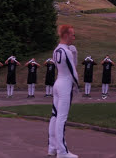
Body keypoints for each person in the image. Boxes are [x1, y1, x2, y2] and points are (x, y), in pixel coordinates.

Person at [48, 25, 79, 158]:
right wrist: (77, 86)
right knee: (61, 118)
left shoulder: (57, 50)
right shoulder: (65, 51)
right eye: (72, 35)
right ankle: (62, 152)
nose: (74, 37)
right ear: (66, 35)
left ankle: (52, 148)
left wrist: (74, 54)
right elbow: (73, 71)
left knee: (55, 116)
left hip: (58, 82)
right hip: (65, 84)